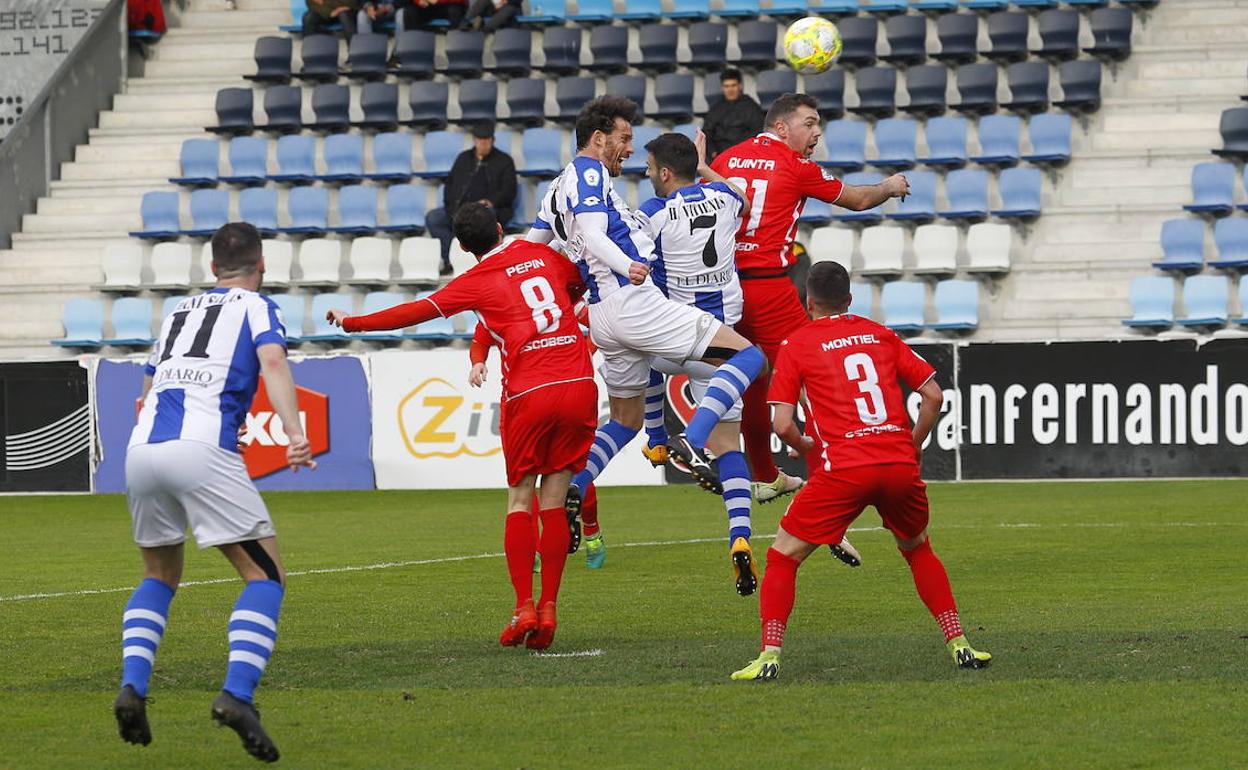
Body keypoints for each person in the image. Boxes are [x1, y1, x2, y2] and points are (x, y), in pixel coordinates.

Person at [526, 95, 770, 590]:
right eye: (623, 138)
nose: (629, 149)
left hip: (608, 319)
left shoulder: (572, 193)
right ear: (599, 138)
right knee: (748, 362)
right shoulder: (710, 197)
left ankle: (583, 481)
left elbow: (533, 247)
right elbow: (739, 200)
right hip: (664, 314)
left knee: (625, 418)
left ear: (662, 173)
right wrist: (705, 171)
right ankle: (697, 458)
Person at [327, 203, 595, 651]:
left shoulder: (474, 281)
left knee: (520, 497)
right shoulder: (543, 255)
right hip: (579, 381)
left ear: (466, 248)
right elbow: (582, 280)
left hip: (530, 390)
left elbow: (415, 312)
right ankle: (549, 608)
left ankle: (523, 606)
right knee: (555, 498)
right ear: (498, 229)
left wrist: (352, 322)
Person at [730, 261, 991, 681]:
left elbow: (781, 424)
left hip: (844, 470)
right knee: (918, 549)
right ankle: (959, 642)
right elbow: (934, 396)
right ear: (850, 300)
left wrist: (801, 446)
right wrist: (914, 444)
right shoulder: (879, 333)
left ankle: (769, 655)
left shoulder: (796, 342)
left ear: (808, 302)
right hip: (897, 464)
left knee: (781, 557)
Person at [113, 222, 315, 762]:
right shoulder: (256, 307)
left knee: (158, 574)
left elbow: (149, 390)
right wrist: (295, 434)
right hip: (201, 447)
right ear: (262, 265)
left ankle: (133, 685)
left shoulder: (178, 312)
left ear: (211, 269)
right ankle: (237, 696)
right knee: (266, 576)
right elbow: (273, 363)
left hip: (142, 449)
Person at [709, 93, 910, 509]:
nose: (817, 132)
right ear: (782, 127)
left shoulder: (727, 159)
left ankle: (763, 477)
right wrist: (890, 186)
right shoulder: (795, 166)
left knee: (752, 381)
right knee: (817, 377)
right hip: (768, 288)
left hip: (725, 288)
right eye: (810, 122)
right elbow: (856, 200)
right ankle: (826, 485)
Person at [426, 121, 518, 275]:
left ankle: (479, 263)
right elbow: (450, 187)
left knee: (482, 220)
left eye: (486, 141)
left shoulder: (504, 161)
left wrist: (490, 202)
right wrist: (451, 209)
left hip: (486, 211)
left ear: (492, 141)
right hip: (459, 209)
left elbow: (509, 191)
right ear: (474, 141)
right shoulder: (463, 158)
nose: (482, 145)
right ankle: (448, 259)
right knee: (433, 218)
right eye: (479, 141)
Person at [703, 69, 766, 161]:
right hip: (718, 156)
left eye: (733, 85)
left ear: (740, 86)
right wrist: (713, 152)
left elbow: (757, 132)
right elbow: (707, 133)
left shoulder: (751, 107)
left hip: (743, 156)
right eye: (726, 86)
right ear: (722, 88)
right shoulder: (716, 108)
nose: (730, 90)